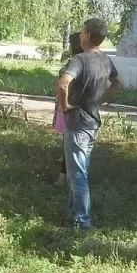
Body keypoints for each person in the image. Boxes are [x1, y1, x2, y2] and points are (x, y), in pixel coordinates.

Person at [57, 19, 123, 230]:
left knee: (78, 173)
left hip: (77, 122)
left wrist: (65, 104)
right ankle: (71, 211)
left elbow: (64, 82)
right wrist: (101, 100)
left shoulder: (79, 60)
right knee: (78, 168)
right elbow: (119, 83)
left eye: (82, 32)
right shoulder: (105, 60)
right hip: (92, 121)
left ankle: (82, 221)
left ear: (86, 35)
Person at [54, 32, 83, 186]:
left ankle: (63, 176)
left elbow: (65, 83)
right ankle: (66, 169)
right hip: (67, 104)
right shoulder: (78, 62)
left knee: (70, 141)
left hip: (70, 105)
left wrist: (63, 102)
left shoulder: (77, 63)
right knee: (68, 140)